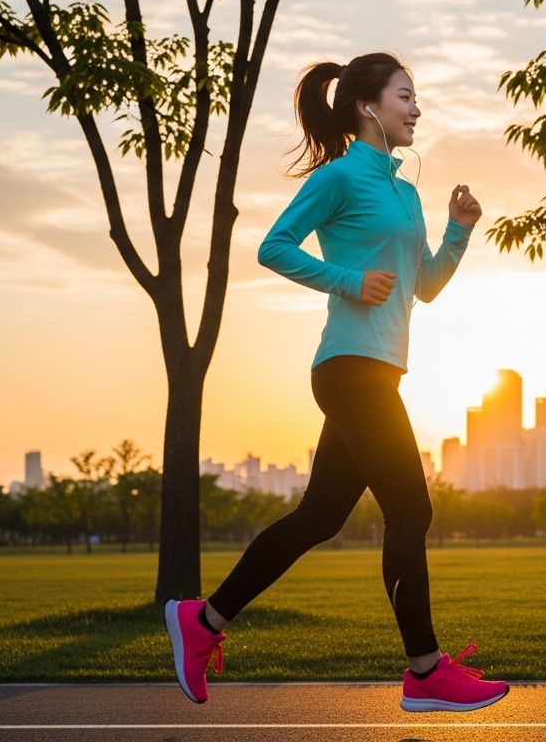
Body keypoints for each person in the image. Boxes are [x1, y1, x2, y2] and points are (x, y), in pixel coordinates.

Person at [163, 51, 508, 713]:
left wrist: (458, 233)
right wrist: (347, 280)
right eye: (405, 95)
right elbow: (275, 246)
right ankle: (425, 669)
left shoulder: (404, 192)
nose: (416, 108)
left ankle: (200, 623)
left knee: (319, 518)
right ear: (367, 106)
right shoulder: (341, 178)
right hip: (348, 368)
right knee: (412, 511)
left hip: (379, 370)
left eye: (416, 97)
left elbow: (425, 288)